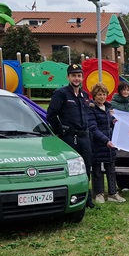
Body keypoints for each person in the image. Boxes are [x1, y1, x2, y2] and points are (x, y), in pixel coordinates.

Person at [46, 64, 95, 207]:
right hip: (69, 137)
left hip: (84, 137)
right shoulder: (61, 93)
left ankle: (87, 199)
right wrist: (61, 130)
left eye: (79, 75)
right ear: (68, 77)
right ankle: (72, 197)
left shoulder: (85, 95)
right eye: (73, 75)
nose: (76, 78)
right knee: (71, 168)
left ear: (82, 77)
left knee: (86, 167)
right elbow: (51, 115)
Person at [88, 82, 125, 204]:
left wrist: (113, 122)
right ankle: (99, 194)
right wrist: (105, 140)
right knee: (97, 171)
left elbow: (107, 123)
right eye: (99, 94)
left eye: (104, 94)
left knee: (111, 169)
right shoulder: (91, 109)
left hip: (110, 145)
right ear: (94, 95)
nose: (102, 97)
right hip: (98, 144)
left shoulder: (109, 108)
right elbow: (93, 128)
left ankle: (113, 193)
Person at [110, 81, 129, 192]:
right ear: (119, 90)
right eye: (123, 89)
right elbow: (109, 118)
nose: (126, 92)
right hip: (119, 135)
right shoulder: (113, 103)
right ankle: (123, 185)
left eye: (128, 90)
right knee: (120, 159)